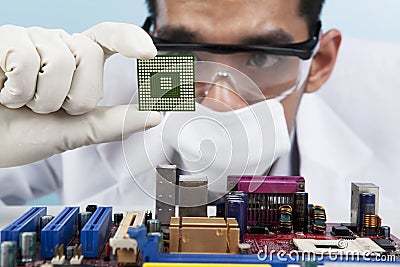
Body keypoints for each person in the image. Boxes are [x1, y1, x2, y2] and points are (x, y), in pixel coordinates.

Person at [0, 0, 399, 231]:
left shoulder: (388, 112)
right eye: (187, 54)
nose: (219, 101)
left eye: (262, 57)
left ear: (321, 62)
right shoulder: (84, 94)